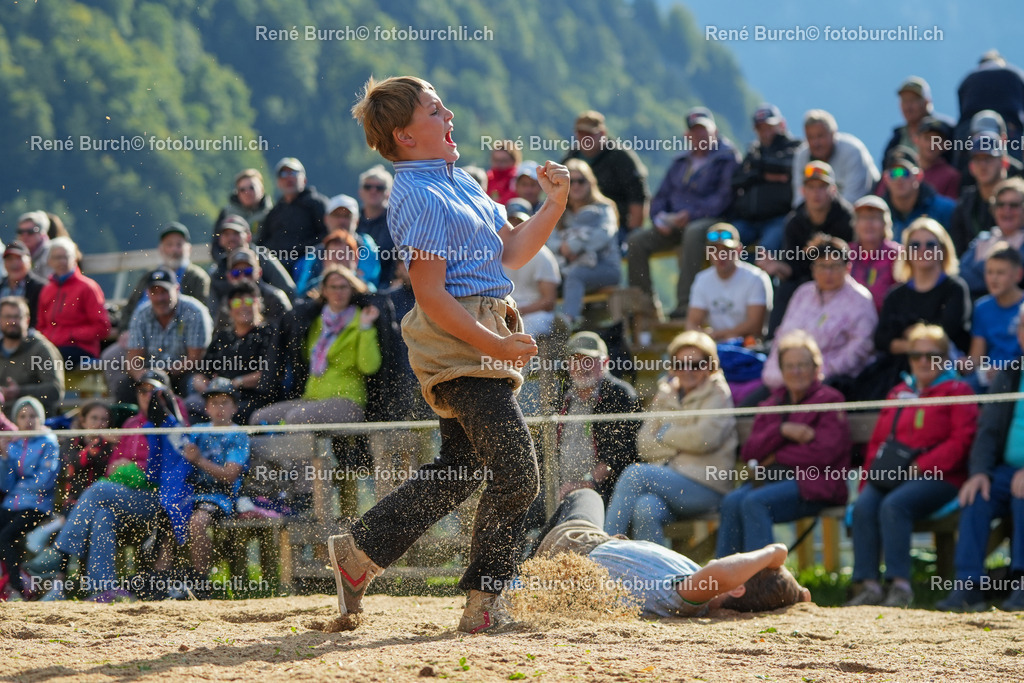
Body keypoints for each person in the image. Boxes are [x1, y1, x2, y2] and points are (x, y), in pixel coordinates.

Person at [338, 75, 569, 633]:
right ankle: (485, 599)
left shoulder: (460, 181)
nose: (449, 116)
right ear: (406, 135)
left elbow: (512, 251)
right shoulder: (416, 194)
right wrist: (494, 346)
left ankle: (359, 552)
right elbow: (430, 294)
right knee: (517, 473)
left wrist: (554, 202)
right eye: (435, 110)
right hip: (456, 339)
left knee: (464, 468)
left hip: (478, 330)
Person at [848, 324, 977, 608]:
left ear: (944, 358)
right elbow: (878, 442)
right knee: (864, 506)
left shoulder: (958, 390)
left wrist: (922, 466)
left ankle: (900, 586)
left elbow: (962, 442)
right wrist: (866, 482)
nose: (922, 361)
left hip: (942, 477)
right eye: (915, 355)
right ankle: (868, 585)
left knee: (895, 505)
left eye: (930, 355)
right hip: (892, 475)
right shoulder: (898, 393)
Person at [530, 488, 811, 619]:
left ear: (736, 589)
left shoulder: (692, 597)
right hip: (581, 551)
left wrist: (774, 552)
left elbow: (722, 573)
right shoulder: (690, 594)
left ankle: (517, 564)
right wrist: (797, 593)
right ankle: (521, 564)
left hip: (576, 547)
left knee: (586, 496)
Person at [48, 371, 191, 602]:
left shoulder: (172, 421)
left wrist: (137, 468)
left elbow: (168, 466)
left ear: (165, 393)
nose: (147, 396)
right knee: (103, 515)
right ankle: (104, 590)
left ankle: (59, 552)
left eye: (152, 391)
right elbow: (111, 466)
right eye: (142, 391)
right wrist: (117, 467)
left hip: (156, 499)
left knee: (98, 490)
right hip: (127, 497)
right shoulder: (130, 423)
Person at [716, 332, 851, 556]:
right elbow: (751, 451)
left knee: (755, 502)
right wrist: (782, 431)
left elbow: (824, 455)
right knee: (731, 502)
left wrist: (777, 456)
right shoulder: (772, 403)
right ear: (781, 370)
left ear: (816, 368)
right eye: (789, 366)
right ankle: (725, 583)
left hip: (816, 483)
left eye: (802, 365)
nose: (795, 372)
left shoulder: (830, 400)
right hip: (772, 479)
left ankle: (764, 582)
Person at [604, 331, 736, 545]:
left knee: (635, 474)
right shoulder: (666, 392)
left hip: (708, 486)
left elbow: (703, 439)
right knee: (645, 508)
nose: (688, 370)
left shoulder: (717, 393)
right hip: (669, 481)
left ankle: (602, 550)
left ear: (709, 366)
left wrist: (664, 434)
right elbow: (643, 444)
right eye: (681, 364)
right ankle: (659, 576)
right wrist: (681, 445)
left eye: (696, 365)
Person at [937, 311, 1024, 612]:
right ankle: (968, 586)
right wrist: (980, 472)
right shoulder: (1011, 373)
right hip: (1005, 471)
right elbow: (987, 431)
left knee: (1022, 496)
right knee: (977, 495)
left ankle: (1020, 583)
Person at [627, 109, 740, 319]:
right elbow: (660, 197)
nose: (700, 137)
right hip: (675, 223)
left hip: (711, 222)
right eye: (695, 132)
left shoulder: (727, 159)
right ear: (687, 136)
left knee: (693, 233)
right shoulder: (680, 162)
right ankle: (643, 307)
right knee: (637, 241)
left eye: (704, 131)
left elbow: (723, 198)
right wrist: (660, 218)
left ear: (714, 131)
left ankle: (686, 304)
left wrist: (690, 215)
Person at [251, 266, 380, 426]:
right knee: (258, 418)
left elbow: (369, 367)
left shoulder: (362, 320)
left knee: (296, 418)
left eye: (343, 287)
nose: (338, 292)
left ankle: (310, 452)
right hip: (313, 398)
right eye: (333, 287)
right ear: (324, 290)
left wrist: (366, 328)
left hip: (349, 401)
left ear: (352, 290)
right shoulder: (314, 323)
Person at [157, 378, 249, 597]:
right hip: (190, 493)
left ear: (234, 407)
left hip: (221, 496)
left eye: (225, 402)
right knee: (169, 514)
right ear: (206, 407)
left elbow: (229, 475)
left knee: (198, 521)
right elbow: (179, 454)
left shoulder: (238, 435)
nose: (219, 408)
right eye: (214, 402)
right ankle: (161, 581)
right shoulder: (197, 430)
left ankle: (200, 582)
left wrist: (198, 460)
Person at [757, 235, 876, 399]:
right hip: (788, 377)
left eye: (834, 266)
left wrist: (818, 373)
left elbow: (860, 349)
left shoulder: (860, 300)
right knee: (753, 408)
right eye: (822, 266)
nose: (828, 273)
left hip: (832, 380)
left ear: (847, 268)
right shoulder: (802, 293)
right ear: (813, 269)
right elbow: (782, 337)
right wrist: (775, 372)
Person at [867, 218, 971, 398]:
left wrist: (907, 340)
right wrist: (918, 345)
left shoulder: (955, 288)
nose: (923, 250)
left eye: (930, 244)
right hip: (897, 371)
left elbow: (947, 331)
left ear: (942, 250)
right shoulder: (895, 295)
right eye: (915, 245)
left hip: (942, 369)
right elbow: (881, 339)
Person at [760, 162, 854, 333]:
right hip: (804, 280)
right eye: (811, 187)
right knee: (785, 289)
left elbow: (849, 259)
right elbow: (792, 268)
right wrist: (778, 267)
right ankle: (773, 339)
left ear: (833, 190)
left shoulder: (847, 219)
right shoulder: (794, 223)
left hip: (838, 279)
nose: (816, 193)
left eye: (821, 187)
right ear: (803, 191)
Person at [555, 332, 642, 502]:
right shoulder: (562, 396)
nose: (581, 366)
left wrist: (587, 482)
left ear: (605, 363)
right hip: (559, 488)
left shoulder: (620, 395)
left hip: (605, 490)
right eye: (575, 360)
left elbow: (620, 454)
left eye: (589, 361)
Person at [547, 159, 620, 326]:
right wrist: (561, 247)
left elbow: (605, 233)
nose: (576, 186)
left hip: (605, 268)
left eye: (581, 181)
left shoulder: (604, 208)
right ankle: (540, 326)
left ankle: (568, 321)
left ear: (590, 183)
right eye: (571, 182)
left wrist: (574, 247)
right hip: (567, 268)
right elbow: (547, 239)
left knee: (576, 274)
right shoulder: (560, 212)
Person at [0, 397, 59, 601]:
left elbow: (44, 482)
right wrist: (5, 457)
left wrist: (22, 482)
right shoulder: (14, 445)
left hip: (37, 505)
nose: (28, 420)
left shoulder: (48, 442)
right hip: (12, 503)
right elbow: (6, 484)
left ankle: (17, 589)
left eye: (33, 415)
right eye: (23, 416)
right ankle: (10, 582)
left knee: (6, 537)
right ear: (16, 420)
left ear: (41, 418)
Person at [190, 281, 274, 424]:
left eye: (248, 301)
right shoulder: (222, 337)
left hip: (251, 398)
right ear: (229, 308)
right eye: (236, 303)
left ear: (258, 304)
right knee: (190, 406)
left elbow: (270, 373)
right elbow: (201, 373)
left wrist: (235, 383)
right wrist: (204, 385)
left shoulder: (269, 334)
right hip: (218, 397)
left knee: (235, 413)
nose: (243, 306)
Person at [563, 110, 649, 244]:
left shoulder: (620, 157)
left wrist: (633, 234)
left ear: (602, 133)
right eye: (580, 133)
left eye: (589, 133)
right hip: (574, 223)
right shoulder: (571, 157)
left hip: (615, 225)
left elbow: (638, 195)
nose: (584, 138)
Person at [125, 268, 213, 398]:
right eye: (154, 292)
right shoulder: (141, 314)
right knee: (124, 388)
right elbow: (134, 359)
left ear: (176, 290)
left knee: (193, 385)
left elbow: (195, 358)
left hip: (185, 372)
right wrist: (144, 378)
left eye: (164, 292)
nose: (160, 298)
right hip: (151, 373)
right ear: (148, 294)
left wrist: (164, 374)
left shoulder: (195, 311)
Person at [730, 103, 801, 252]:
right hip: (747, 220)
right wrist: (763, 175)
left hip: (779, 218)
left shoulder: (795, 147)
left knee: (765, 252)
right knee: (724, 246)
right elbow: (736, 180)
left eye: (769, 126)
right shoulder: (754, 151)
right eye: (760, 128)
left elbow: (785, 165)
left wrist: (755, 170)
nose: (765, 132)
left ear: (781, 124)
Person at [686, 223, 771, 341]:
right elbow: (692, 324)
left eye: (726, 250)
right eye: (714, 250)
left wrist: (715, 335)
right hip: (716, 347)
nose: (720, 255)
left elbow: (755, 327)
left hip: (747, 348)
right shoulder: (702, 279)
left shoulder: (756, 278)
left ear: (739, 250)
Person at [121, 223, 211, 331]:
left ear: (189, 249)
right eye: (169, 244)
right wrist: (124, 331)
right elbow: (130, 307)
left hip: (180, 335)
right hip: (139, 334)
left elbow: (202, 313)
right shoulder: (148, 277)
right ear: (160, 249)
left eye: (179, 245)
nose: (174, 250)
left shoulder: (197, 278)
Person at [37, 236, 111, 362]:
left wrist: (71, 335)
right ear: (49, 261)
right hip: (51, 347)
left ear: (75, 259)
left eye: (65, 257)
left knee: (45, 362)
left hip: (80, 348)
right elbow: (41, 325)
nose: (61, 261)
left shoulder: (88, 287)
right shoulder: (47, 290)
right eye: (57, 257)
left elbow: (102, 328)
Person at [965, 247, 1024, 391]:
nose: (993, 278)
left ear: (1018, 275)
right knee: (961, 389)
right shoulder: (982, 307)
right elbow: (977, 357)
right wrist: (956, 364)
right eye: (989, 272)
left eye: (1000, 273)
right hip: (988, 376)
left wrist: (1007, 370)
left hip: (1018, 375)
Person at [792, 110, 879, 206]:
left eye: (820, 136)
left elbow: (853, 199)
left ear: (833, 133)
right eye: (810, 137)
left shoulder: (852, 151)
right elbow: (799, 199)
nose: (815, 143)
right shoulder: (801, 155)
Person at [256, 157, 328, 273]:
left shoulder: (317, 204)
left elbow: (327, 234)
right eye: (283, 174)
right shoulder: (275, 211)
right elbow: (262, 242)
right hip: (276, 262)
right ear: (278, 182)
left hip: (307, 261)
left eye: (293, 173)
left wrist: (301, 250)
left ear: (304, 180)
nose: (289, 177)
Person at [956, 50, 1024, 167]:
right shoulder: (1015, 74)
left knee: (967, 168)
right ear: (1001, 62)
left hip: (969, 130)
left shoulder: (968, 78)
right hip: (1008, 129)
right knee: (1011, 168)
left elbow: (962, 108)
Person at [0, 296, 64, 416]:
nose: (13, 322)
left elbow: (55, 390)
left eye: (17, 317)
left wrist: (20, 391)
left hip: (33, 424)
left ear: (27, 320)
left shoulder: (41, 348)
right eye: (8, 317)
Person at [960, 178, 1024, 297]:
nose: (1006, 210)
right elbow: (962, 275)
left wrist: (979, 267)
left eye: (1014, 205)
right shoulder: (983, 239)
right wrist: (1002, 275)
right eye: (1000, 204)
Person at [949, 131, 1009, 256]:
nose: (983, 165)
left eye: (988, 158)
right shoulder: (964, 204)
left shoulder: (1018, 200)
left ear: (1004, 163)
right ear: (971, 166)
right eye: (977, 159)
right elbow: (958, 252)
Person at [210, 214, 295, 299]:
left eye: (236, 233)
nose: (231, 238)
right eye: (226, 234)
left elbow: (288, 290)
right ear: (220, 239)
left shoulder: (263, 257)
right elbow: (213, 306)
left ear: (248, 236)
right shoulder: (218, 269)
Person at [881, 146, 955, 242]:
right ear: (886, 178)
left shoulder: (947, 210)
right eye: (894, 173)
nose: (899, 178)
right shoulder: (878, 213)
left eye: (905, 172)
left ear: (918, 176)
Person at [209, 247, 291, 331]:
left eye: (248, 271)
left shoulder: (275, 298)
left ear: (259, 273)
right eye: (236, 273)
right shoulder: (227, 301)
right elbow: (220, 335)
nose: (243, 277)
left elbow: (284, 334)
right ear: (229, 277)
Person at [849, 195, 901, 313]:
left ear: (885, 224)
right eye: (863, 218)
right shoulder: (846, 253)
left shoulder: (898, 254)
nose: (869, 223)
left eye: (874, 218)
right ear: (855, 225)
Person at [211, 168, 273, 262]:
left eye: (252, 188)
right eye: (242, 189)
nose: (247, 192)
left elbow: (274, 244)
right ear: (237, 192)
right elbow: (216, 245)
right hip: (230, 264)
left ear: (262, 189)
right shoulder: (226, 213)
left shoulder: (272, 214)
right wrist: (224, 263)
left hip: (262, 262)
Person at [502, 243, 560, 338]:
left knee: (524, 331)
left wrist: (519, 311)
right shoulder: (497, 252)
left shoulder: (543, 255)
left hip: (535, 312)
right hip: (507, 307)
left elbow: (549, 301)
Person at [356, 165, 397, 285]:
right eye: (368, 187)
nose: (373, 191)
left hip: (388, 285)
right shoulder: (351, 219)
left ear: (388, 194)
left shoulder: (396, 221)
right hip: (356, 285)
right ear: (360, 192)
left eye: (379, 188)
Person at [912, 116, 961, 200]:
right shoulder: (904, 168)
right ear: (916, 140)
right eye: (927, 138)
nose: (931, 144)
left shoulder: (950, 176)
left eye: (937, 140)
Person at [0, 242, 45, 329]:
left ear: (29, 261)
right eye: (9, 259)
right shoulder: (1, 286)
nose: (14, 263)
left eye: (19, 258)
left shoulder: (40, 288)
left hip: (27, 339)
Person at [15, 212, 52, 279]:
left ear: (42, 233)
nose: (25, 235)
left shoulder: (51, 253)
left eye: (30, 232)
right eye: (21, 232)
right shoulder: (16, 255)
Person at [486, 140, 521, 206]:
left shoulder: (518, 179)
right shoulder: (487, 178)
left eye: (504, 161)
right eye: (496, 160)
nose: (499, 164)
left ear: (514, 161)